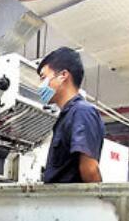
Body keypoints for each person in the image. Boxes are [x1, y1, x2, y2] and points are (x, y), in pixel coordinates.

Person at [36, 47, 104, 183]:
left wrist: (99, 197)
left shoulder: (82, 112)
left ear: (63, 75)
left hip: (71, 197)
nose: (40, 86)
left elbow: (90, 170)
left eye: (43, 78)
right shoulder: (66, 116)